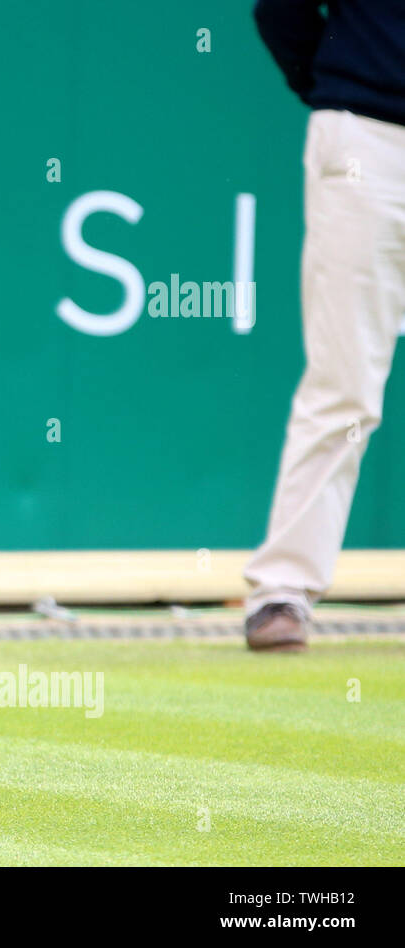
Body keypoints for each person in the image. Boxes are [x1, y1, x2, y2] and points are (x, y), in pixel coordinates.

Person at [245, 1, 405, 651]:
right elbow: (279, 9)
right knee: (344, 383)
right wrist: (347, 82)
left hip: (360, 118)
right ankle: (281, 590)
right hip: (366, 137)